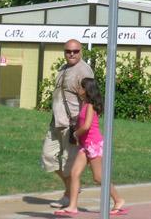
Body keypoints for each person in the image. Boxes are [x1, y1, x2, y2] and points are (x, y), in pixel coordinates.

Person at [56, 78, 126, 217]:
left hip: (93, 145)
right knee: (74, 173)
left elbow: (87, 126)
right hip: (85, 146)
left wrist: (76, 133)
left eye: (81, 87)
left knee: (99, 177)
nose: (78, 89)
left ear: (86, 90)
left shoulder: (89, 106)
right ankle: (72, 206)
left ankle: (118, 200)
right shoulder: (84, 104)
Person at [42, 39, 93, 209]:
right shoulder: (63, 68)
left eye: (75, 51)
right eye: (68, 51)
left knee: (69, 164)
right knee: (48, 157)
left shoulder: (84, 71)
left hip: (72, 125)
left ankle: (69, 197)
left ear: (81, 52)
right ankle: (71, 190)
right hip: (56, 121)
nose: (71, 54)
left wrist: (82, 126)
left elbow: (90, 99)